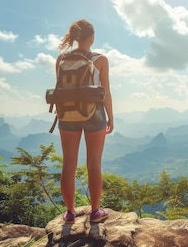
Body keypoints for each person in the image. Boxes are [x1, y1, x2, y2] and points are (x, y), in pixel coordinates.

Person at [56, 19, 113, 224]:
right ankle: (95, 212)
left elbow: (62, 91)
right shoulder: (101, 59)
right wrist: (110, 116)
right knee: (94, 162)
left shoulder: (61, 59)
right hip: (94, 113)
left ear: (75, 38)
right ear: (91, 38)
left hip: (67, 114)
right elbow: (105, 92)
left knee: (69, 163)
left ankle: (70, 213)